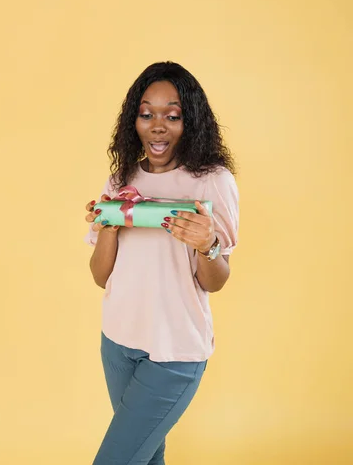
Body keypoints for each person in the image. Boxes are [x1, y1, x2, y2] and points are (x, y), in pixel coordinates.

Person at [84, 61, 239, 464]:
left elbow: (215, 281)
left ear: (191, 121)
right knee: (147, 457)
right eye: (146, 114)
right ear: (133, 119)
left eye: (172, 116)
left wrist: (209, 244)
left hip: (175, 352)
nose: (157, 126)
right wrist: (110, 225)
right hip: (117, 343)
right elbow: (101, 276)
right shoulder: (122, 181)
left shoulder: (212, 181)